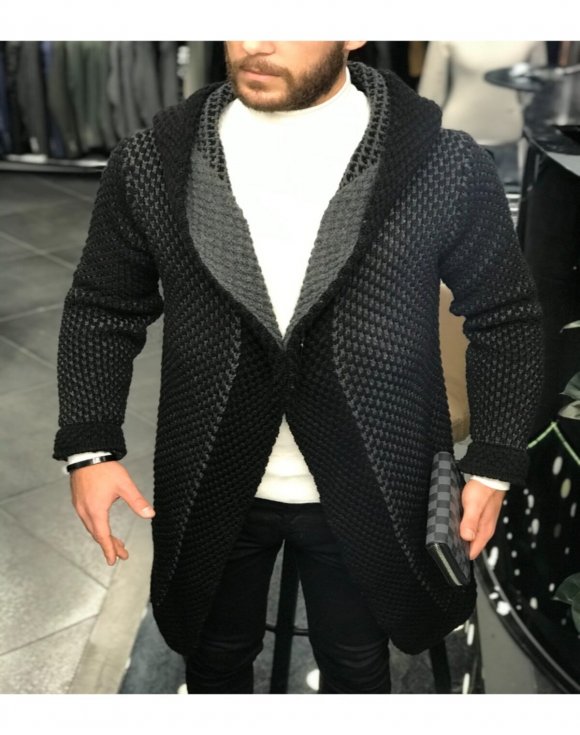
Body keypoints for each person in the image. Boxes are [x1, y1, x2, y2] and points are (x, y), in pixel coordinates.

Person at [52, 41, 544, 694]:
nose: (257, 39)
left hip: (380, 477)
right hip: (210, 474)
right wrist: (88, 446)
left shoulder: (441, 163)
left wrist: (493, 461)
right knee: (213, 658)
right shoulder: (154, 162)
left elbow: (504, 314)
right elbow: (104, 303)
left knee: (357, 664)